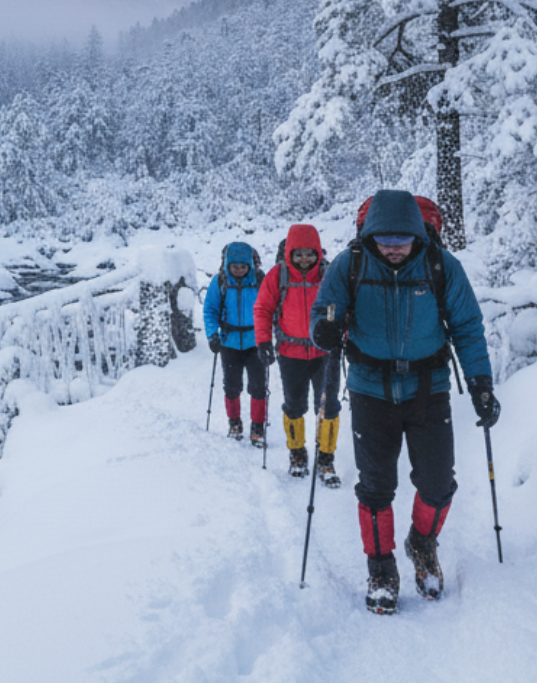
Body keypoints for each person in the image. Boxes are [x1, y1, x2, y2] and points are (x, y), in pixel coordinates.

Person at [309, 190, 500, 615]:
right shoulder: (350, 264)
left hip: (428, 388)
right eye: (384, 239)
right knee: (376, 487)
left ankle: (422, 542)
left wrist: (481, 383)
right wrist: (324, 329)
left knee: (437, 483)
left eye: (402, 239)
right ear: (370, 234)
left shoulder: (441, 266)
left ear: (418, 234)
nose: (393, 247)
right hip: (368, 388)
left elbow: (467, 327)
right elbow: (323, 311)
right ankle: (381, 567)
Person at [254, 224, 341, 486]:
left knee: (328, 406)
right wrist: (262, 342)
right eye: (299, 253)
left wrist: (342, 334)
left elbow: (344, 307)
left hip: (325, 352)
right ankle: (297, 453)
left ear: (318, 252)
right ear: (289, 253)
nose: (305, 259)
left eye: (310, 253)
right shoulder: (277, 276)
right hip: (290, 353)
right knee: (294, 405)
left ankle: (326, 458)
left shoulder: (329, 276)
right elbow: (262, 308)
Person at [203, 242, 267, 446]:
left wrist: (269, 339)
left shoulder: (260, 281)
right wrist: (212, 334)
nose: (238, 270)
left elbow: (269, 309)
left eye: (243, 266)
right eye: (234, 266)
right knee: (232, 386)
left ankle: (258, 427)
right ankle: (235, 424)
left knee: (258, 387)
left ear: (250, 264)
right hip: (229, 342)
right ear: (227, 265)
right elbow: (210, 310)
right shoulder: (220, 282)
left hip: (255, 342)